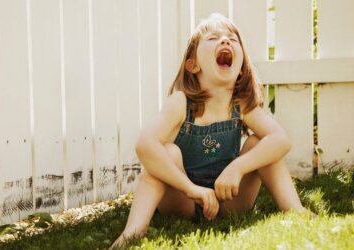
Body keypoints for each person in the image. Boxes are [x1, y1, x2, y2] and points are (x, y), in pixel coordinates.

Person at [111, 13, 306, 249]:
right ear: (193, 65)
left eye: (232, 39)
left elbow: (281, 140)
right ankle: (134, 231)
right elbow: (145, 145)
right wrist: (191, 189)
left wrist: (237, 167)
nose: (225, 41)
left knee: (260, 144)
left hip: (228, 199)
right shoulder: (180, 102)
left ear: (241, 69)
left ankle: (296, 211)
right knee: (167, 152)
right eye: (213, 38)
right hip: (183, 200)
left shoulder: (240, 104)